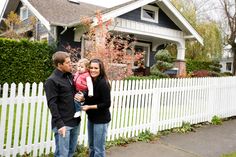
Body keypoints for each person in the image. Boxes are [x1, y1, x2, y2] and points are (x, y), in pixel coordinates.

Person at [44, 51, 80, 157]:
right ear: (60, 65)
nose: (71, 64)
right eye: (68, 63)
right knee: (62, 154)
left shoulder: (69, 76)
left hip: (75, 121)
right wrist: (60, 125)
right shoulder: (51, 81)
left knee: (71, 152)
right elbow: (52, 104)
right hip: (63, 124)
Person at [77, 58, 111, 157]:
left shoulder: (103, 83)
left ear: (101, 69)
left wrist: (89, 107)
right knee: (91, 146)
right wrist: (82, 99)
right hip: (91, 118)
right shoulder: (90, 81)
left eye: (96, 68)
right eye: (91, 68)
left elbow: (106, 104)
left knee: (98, 149)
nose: (93, 70)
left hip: (101, 119)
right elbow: (90, 98)